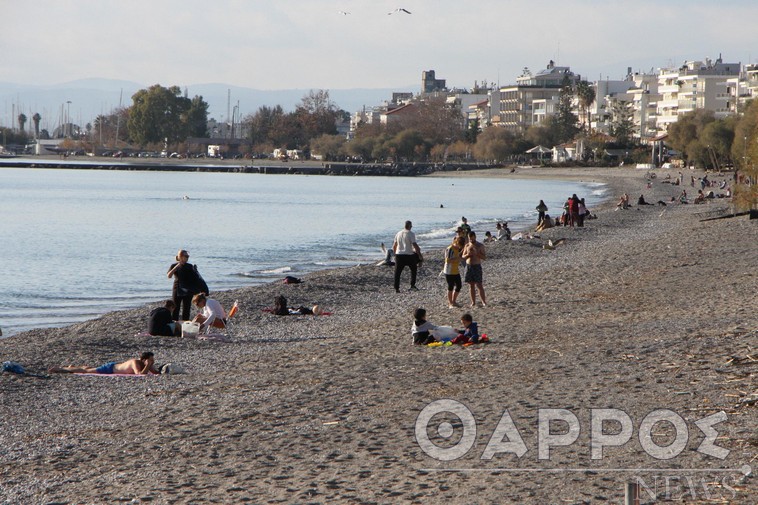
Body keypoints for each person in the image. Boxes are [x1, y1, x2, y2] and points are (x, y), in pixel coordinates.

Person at [167, 249, 208, 321]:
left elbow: (196, 278)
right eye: (186, 256)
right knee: (175, 308)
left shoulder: (189, 266)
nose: (187, 258)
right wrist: (177, 267)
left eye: (188, 256)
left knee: (186, 309)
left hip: (188, 289)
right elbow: (169, 276)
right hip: (177, 289)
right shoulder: (174, 265)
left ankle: (185, 327)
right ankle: (174, 327)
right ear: (180, 257)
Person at [49, 352, 158, 375]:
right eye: (150, 360)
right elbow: (140, 374)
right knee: (87, 371)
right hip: (110, 368)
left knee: (90, 368)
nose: (151, 362)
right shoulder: (135, 362)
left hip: (113, 366)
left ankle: (72, 367)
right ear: (144, 360)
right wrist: (148, 365)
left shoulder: (145, 364)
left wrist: (151, 366)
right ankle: (60, 369)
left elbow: (156, 372)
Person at [392, 220, 422, 292]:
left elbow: (394, 245)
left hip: (399, 255)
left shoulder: (398, 233)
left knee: (397, 272)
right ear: (409, 226)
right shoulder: (410, 233)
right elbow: (414, 245)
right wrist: (420, 255)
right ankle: (412, 285)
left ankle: (396, 288)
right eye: (411, 226)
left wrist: (395, 254)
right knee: (413, 269)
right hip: (408, 255)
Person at [462, 231, 487, 308]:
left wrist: (477, 254)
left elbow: (484, 257)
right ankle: (473, 302)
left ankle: (483, 301)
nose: (471, 241)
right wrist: (468, 255)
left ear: (475, 237)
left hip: (476, 266)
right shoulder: (467, 245)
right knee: (471, 285)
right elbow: (463, 256)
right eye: (470, 239)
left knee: (479, 285)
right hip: (469, 266)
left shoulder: (480, 245)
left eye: (472, 239)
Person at [442, 236, 464, 309]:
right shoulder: (450, 249)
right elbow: (447, 260)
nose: (459, 247)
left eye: (460, 246)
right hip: (449, 270)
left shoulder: (457, 249)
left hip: (455, 270)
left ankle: (454, 301)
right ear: (455, 242)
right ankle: (450, 303)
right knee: (450, 286)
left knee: (459, 285)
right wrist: (458, 259)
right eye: (458, 245)